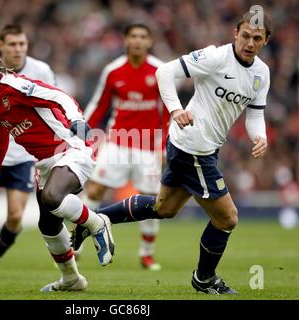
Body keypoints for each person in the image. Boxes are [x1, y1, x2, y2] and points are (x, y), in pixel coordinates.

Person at [71, 11, 271, 294]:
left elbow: (254, 114)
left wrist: (259, 136)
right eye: (246, 36)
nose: (250, 43)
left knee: (164, 208)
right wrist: (176, 109)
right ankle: (204, 279)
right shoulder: (216, 57)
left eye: (257, 38)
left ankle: (94, 220)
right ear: (235, 34)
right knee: (227, 218)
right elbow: (165, 71)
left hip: (203, 147)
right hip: (193, 147)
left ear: (265, 41)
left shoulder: (262, 73)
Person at [0, 47, 115, 292]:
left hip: (72, 146)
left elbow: (58, 96)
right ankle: (71, 280)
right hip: (46, 163)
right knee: (48, 226)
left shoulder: (15, 86)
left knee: (51, 198)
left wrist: (77, 119)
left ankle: (97, 222)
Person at [0, 24, 56, 279]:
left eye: (22, 44)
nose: (18, 49)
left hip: (24, 154)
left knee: (15, 216)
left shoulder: (42, 71)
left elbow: (52, 104)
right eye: (12, 44)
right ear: (1, 46)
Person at [74, 23, 169, 270]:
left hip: (148, 147)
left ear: (149, 42)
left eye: (142, 37)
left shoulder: (161, 70)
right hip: (117, 142)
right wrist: (83, 133)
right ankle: (77, 245)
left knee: (154, 201)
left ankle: (146, 254)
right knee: (93, 191)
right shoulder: (113, 71)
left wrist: (166, 146)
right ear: (126, 40)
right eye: (133, 36)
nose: (138, 41)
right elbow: (99, 105)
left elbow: (170, 111)